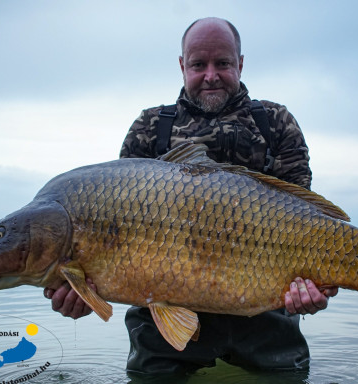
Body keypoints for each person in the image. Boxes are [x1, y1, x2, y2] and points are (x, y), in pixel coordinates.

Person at [44, 17, 338, 376]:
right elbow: (114, 243)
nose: (211, 74)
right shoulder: (150, 128)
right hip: (161, 323)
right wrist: (84, 292)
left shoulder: (275, 122)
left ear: (240, 64)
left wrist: (311, 290)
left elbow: (306, 222)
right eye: (199, 64)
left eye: (223, 63)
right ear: (183, 66)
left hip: (264, 315)